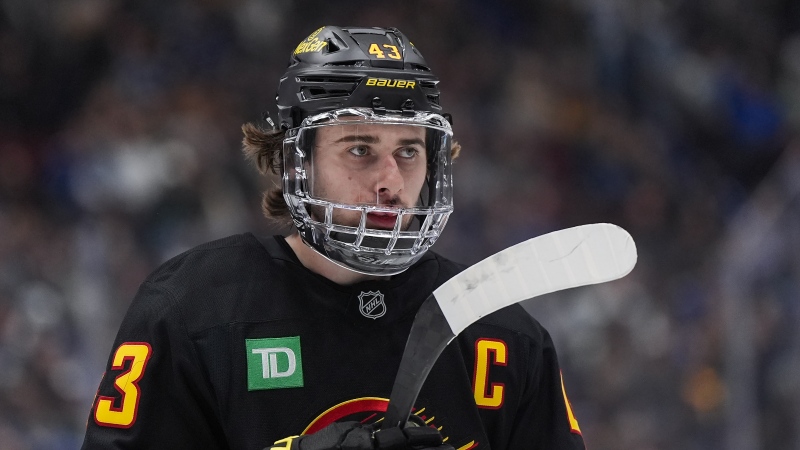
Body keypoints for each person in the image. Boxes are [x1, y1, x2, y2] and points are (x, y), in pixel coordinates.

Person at [81, 26, 586, 450]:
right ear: (295, 160)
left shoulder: (500, 333)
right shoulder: (192, 311)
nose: (390, 178)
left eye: (409, 150)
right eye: (360, 148)